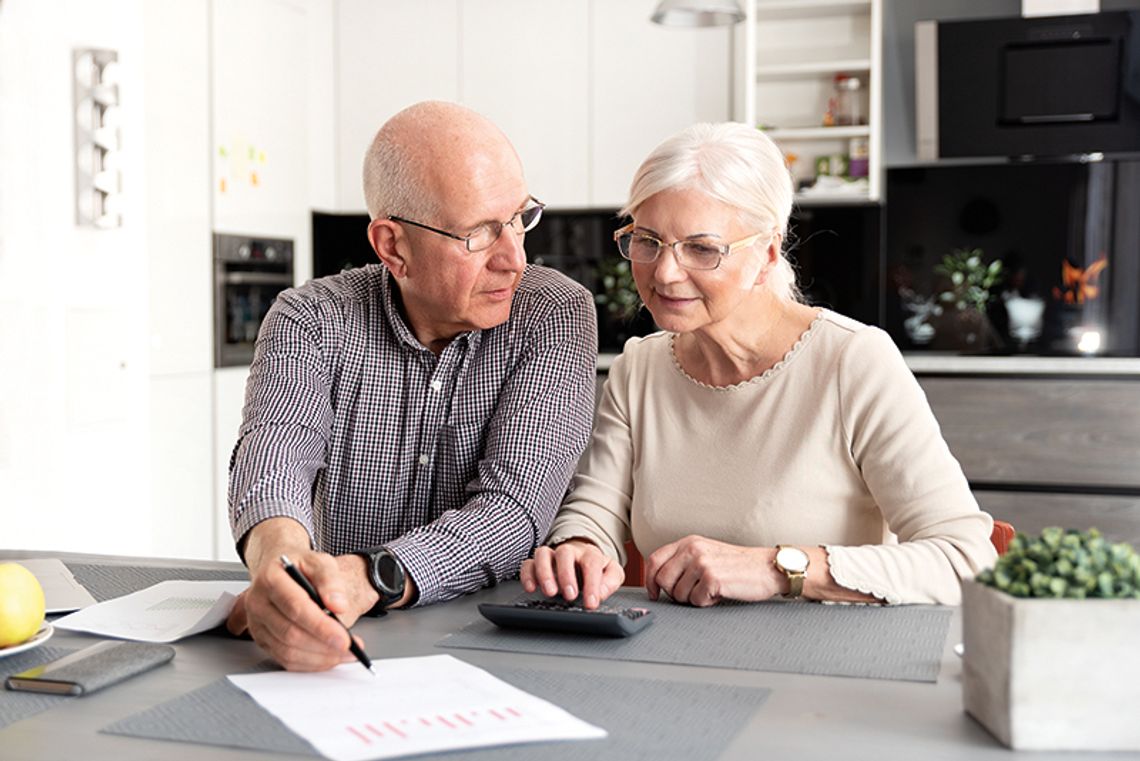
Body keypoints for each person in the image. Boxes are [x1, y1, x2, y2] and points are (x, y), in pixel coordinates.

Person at [521, 122, 996, 610]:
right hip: (677, 663)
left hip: (825, 669)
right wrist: (576, 548)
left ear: (767, 253)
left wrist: (779, 567)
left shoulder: (853, 361)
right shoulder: (638, 368)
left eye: (702, 249)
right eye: (647, 241)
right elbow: (595, 512)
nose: (664, 272)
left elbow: (965, 560)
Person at [225, 101, 598, 670]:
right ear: (393, 246)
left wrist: (369, 576)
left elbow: (512, 511)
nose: (515, 258)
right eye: (479, 234)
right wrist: (284, 570)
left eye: (520, 218)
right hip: (343, 642)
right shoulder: (310, 318)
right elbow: (274, 460)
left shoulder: (554, 312)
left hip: (502, 646)